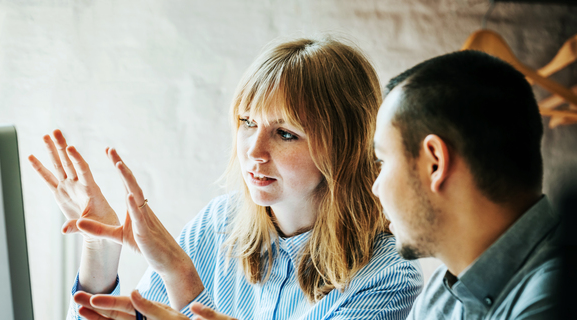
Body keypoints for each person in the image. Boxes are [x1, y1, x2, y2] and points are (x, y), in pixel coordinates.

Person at [29, 37, 423, 320]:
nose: (253, 150)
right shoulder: (218, 224)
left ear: (345, 146)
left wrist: (180, 274)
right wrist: (100, 245)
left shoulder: (387, 274)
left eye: (285, 133)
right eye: (247, 123)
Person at [372, 50, 560, 319]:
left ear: (435, 163)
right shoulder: (443, 290)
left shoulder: (556, 298)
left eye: (382, 161)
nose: (376, 188)